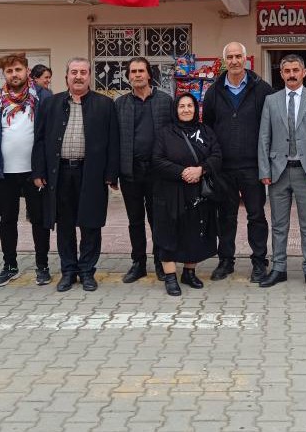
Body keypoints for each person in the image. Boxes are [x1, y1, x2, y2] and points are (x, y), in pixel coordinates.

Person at [32, 57, 119, 292]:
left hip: (91, 173)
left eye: (83, 72)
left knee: (91, 224)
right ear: (66, 76)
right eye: (74, 72)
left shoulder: (105, 105)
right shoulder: (50, 104)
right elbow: (39, 139)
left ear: (90, 76)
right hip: (59, 174)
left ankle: (87, 271)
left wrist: (112, 174)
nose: (78, 76)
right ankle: (69, 271)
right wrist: (38, 170)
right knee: (65, 224)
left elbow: (114, 142)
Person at [0, 52, 53, 287]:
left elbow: (51, 136)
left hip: (35, 172)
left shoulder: (43, 97)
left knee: (39, 220)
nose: (14, 74)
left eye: (18, 69)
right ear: (4, 74)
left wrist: (47, 170)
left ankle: (43, 266)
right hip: (3, 173)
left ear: (27, 71)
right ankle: (10, 266)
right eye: (9, 71)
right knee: (7, 219)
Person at [201, 42, 274, 282]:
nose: (234, 61)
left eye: (238, 56)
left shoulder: (262, 89)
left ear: (245, 59)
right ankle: (226, 261)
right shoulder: (213, 91)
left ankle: (259, 261)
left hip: (253, 166)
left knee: (256, 216)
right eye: (229, 57)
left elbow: (271, 126)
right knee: (226, 216)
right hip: (223, 167)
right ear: (224, 61)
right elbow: (208, 128)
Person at [258, 54, 306, 291]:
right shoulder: (271, 101)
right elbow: (264, 138)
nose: (291, 74)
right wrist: (264, 170)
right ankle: (278, 268)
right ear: (281, 74)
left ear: (304, 72)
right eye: (286, 70)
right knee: (279, 225)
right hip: (278, 172)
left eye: (295, 70)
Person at [152, 94, 222, 295]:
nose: (185, 109)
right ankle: (170, 277)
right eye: (181, 106)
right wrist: (182, 172)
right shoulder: (165, 133)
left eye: (189, 105)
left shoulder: (206, 131)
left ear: (195, 109)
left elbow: (217, 155)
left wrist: (201, 170)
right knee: (169, 232)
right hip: (170, 191)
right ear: (175, 109)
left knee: (195, 232)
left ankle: (189, 273)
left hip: (198, 190)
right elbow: (156, 159)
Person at [114, 56, 174, 283]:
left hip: (158, 172)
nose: (137, 75)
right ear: (128, 76)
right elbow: (113, 140)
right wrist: (113, 173)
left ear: (149, 74)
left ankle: (161, 261)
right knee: (135, 220)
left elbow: (174, 135)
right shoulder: (120, 104)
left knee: (158, 219)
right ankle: (138, 263)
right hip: (131, 172)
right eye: (133, 71)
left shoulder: (165, 101)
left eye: (141, 71)